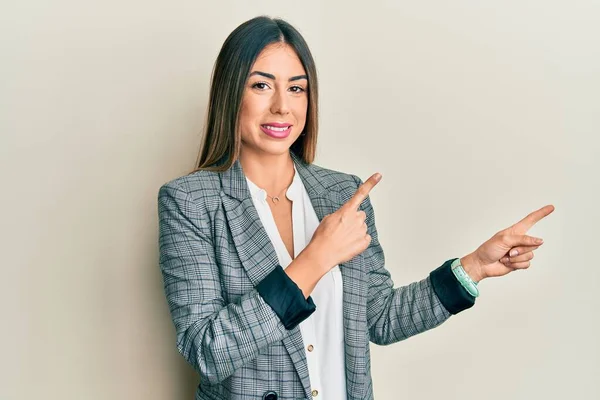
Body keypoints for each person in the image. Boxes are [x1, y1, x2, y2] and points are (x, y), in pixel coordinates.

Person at [157, 15, 555, 400]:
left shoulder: (341, 193)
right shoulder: (191, 201)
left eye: (297, 88)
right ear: (231, 93)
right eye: (262, 85)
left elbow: (379, 317)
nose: (282, 106)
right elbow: (208, 350)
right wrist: (314, 260)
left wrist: (474, 267)